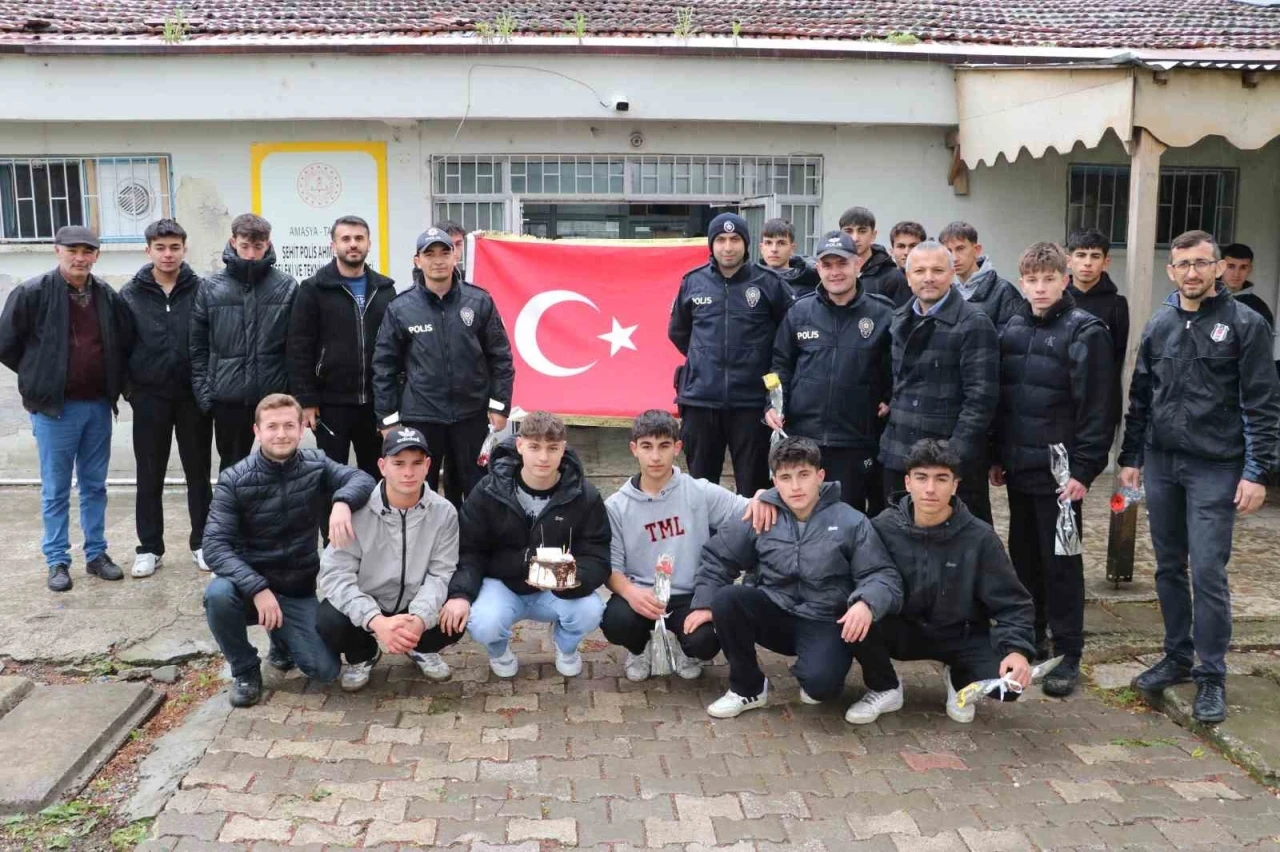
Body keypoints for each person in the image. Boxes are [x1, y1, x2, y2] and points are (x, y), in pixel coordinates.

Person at [1121, 230, 1280, 724]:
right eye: (1183, 264)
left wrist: (1257, 472)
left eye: (1201, 263)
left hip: (1216, 465)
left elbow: (1262, 403)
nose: (1192, 272)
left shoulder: (1246, 325)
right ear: (1171, 271)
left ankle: (1211, 673)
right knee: (1168, 566)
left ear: (1218, 268)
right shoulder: (1160, 323)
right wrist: (1130, 457)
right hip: (1162, 463)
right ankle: (1177, 656)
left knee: (1208, 570)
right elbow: (1141, 395)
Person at [690, 436, 902, 719]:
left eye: (804, 475)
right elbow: (718, 556)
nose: (795, 486)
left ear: (820, 476)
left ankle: (816, 670)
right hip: (775, 611)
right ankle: (747, 688)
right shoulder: (762, 514)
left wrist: (866, 602)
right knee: (728, 599)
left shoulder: (851, 521)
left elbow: (881, 574)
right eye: (786, 478)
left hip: (824, 618)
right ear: (775, 481)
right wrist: (705, 604)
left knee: (820, 688)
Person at [990, 242, 1113, 696]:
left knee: (1061, 563)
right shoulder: (1012, 328)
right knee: (1024, 559)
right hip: (1020, 468)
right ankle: (1031, 639)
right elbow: (1005, 400)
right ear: (1022, 283)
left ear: (1065, 279)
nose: (1040, 288)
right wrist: (998, 455)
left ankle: (1068, 652)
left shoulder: (1086, 332)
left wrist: (1084, 469)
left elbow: (1099, 408)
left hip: (1062, 478)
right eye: (1032, 280)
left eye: (1048, 279)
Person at [202, 393, 375, 707]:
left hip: (296, 588)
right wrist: (257, 588)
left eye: (288, 426)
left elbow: (361, 478)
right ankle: (245, 670)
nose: (281, 434)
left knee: (325, 670)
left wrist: (342, 502)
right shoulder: (234, 479)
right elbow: (214, 546)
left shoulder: (316, 463)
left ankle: (282, 642)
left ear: (301, 429)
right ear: (257, 431)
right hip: (247, 589)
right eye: (272, 426)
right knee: (218, 595)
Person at [847, 439, 1035, 724]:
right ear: (908, 482)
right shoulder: (882, 526)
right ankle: (885, 687)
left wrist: (1017, 650)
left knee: (1009, 687)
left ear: (955, 485)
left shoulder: (980, 537)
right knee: (849, 608)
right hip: (902, 630)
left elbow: (1013, 603)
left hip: (960, 635)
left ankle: (959, 679)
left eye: (941, 479)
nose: (930, 489)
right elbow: (861, 575)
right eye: (921, 478)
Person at [0, 225, 131, 591]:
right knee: (56, 489)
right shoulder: (31, 293)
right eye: (72, 250)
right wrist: (40, 376)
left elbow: (121, 343)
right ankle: (57, 560)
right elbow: (6, 345)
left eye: (87, 251)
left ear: (96, 256)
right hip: (55, 410)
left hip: (97, 407)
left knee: (95, 486)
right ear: (57, 251)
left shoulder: (106, 296)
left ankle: (96, 554)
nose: (80, 258)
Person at [602, 409, 776, 682]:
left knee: (705, 641)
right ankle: (640, 648)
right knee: (616, 622)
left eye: (664, 446)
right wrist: (631, 593)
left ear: (678, 447)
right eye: (647, 446)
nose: (655, 456)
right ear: (634, 449)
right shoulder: (616, 505)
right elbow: (611, 567)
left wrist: (765, 495)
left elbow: (747, 509)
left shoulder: (698, 491)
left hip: (689, 594)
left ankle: (685, 649)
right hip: (643, 593)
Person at [451, 411, 610, 678]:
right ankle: (498, 650)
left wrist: (571, 576)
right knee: (483, 621)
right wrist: (461, 594)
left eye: (552, 448)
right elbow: (470, 550)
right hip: (503, 584)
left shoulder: (585, 495)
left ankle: (565, 645)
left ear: (563, 448)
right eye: (535, 447)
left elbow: (598, 554)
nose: (543, 457)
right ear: (520, 445)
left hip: (556, 589)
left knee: (591, 610)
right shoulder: (488, 490)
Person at [316, 426, 470, 691]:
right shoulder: (356, 510)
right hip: (370, 599)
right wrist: (376, 621)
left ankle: (418, 647)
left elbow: (441, 572)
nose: (408, 472)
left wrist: (419, 619)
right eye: (398, 463)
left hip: (414, 601)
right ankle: (364, 654)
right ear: (382, 466)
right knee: (328, 620)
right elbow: (334, 575)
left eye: (416, 463)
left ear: (428, 466)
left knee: (455, 617)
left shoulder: (444, 512)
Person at [372, 227, 514, 507]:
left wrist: (499, 406)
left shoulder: (479, 301)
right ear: (417, 261)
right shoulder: (400, 307)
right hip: (422, 417)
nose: (438, 260)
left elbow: (501, 357)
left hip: (471, 415)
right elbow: (383, 367)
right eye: (430, 254)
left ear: (455, 257)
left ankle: (471, 536)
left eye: (444, 253)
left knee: (476, 490)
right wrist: (388, 420)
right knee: (418, 491)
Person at [768, 230, 894, 514]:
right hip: (804, 438)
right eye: (827, 265)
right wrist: (772, 403)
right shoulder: (799, 312)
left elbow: (898, 366)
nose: (835, 272)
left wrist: (891, 397)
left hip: (855, 440)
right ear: (818, 268)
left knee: (846, 517)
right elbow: (778, 366)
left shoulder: (882, 313)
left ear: (857, 264)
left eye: (842, 263)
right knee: (801, 515)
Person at [668, 212, 794, 497]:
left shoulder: (769, 283)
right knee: (701, 490)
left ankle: (752, 529)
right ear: (711, 244)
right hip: (701, 402)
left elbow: (786, 339)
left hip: (751, 404)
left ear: (746, 243)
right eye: (721, 240)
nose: (728, 247)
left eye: (735, 239)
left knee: (754, 490)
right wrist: (706, 359)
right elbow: (679, 332)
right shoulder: (693, 282)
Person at [880, 241, 999, 524]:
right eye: (920, 271)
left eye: (937, 270)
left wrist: (954, 455)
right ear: (908, 277)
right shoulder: (897, 320)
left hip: (949, 459)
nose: (929, 278)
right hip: (899, 453)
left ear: (951, 274)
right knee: (898, 534)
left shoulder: (974, 323)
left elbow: (981, 399)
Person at [121, 219, 214, 578]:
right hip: (149, 398)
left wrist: (205, 387)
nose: (167, 254)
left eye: (174, 247)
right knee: (149, 475)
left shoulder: (202, 290)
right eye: (160, 248)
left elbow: (212, 340)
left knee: (198, 474)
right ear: (148, 250)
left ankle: (203, 543)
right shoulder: (130, 294)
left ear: (184, 249)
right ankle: (149, 548)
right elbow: (119, 345)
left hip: (192, 398)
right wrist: (131, 391)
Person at [287, 216, 396, 490]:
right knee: (331, 477)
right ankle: (333, 521)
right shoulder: (313, 289)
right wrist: (306, 400)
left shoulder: (385, 290)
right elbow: (299, 346)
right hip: (330, 404)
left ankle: (372, 521)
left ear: (369, 244)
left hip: (375, 403)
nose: (353, 244)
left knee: (376, 478)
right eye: (346, 239)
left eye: (359, 238)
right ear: (333, 245)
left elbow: (395, 347)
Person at [191, 213, 298, 471]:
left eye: (258, 247)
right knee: (233, 470)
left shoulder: (286, 286)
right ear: (233, 242)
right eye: (245, 246)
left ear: (268, 244)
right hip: (228, 398)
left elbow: (296, 346)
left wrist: (293, 394)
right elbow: (197, 346)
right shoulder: (210, 287)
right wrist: (206, 395)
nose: (251, 254)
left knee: (279, 466)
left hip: (274, 396)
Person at [1066, 228, 1130, 435]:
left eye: (1095, 256)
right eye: (1081, 255)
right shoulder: (1056, 301)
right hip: (1058, 407)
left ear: (1105, 262)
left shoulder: (1117, 305)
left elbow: (1118, 358)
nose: (1087, 263)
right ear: (1069, 261)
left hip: (1099, 409)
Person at [938, 221, 1022, 331]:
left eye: (960, 248)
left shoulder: (1004, 291)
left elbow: (1012, 337)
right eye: (948, 251)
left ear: (976, 250)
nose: (954, 258)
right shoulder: (942, 291)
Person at [839, 207, 909, 306]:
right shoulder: (832, 274)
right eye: (848, 231)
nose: (855, 238)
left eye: (862, 231)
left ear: (873, 235)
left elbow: (903, 314)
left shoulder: (893, 277)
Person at [757, 217, 819, 296]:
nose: (774, 249)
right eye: (768, 243)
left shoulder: (811, 282)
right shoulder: (750, 280)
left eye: (781, 243)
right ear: (761, 248)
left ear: (792, 248)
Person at [1219, 243, 1275, 329]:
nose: (1236, 274)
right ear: (1220, 267)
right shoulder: (1203, 299)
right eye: (1231, 267)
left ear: (1249, 270)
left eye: (1243, 267)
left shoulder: (1259, 308)